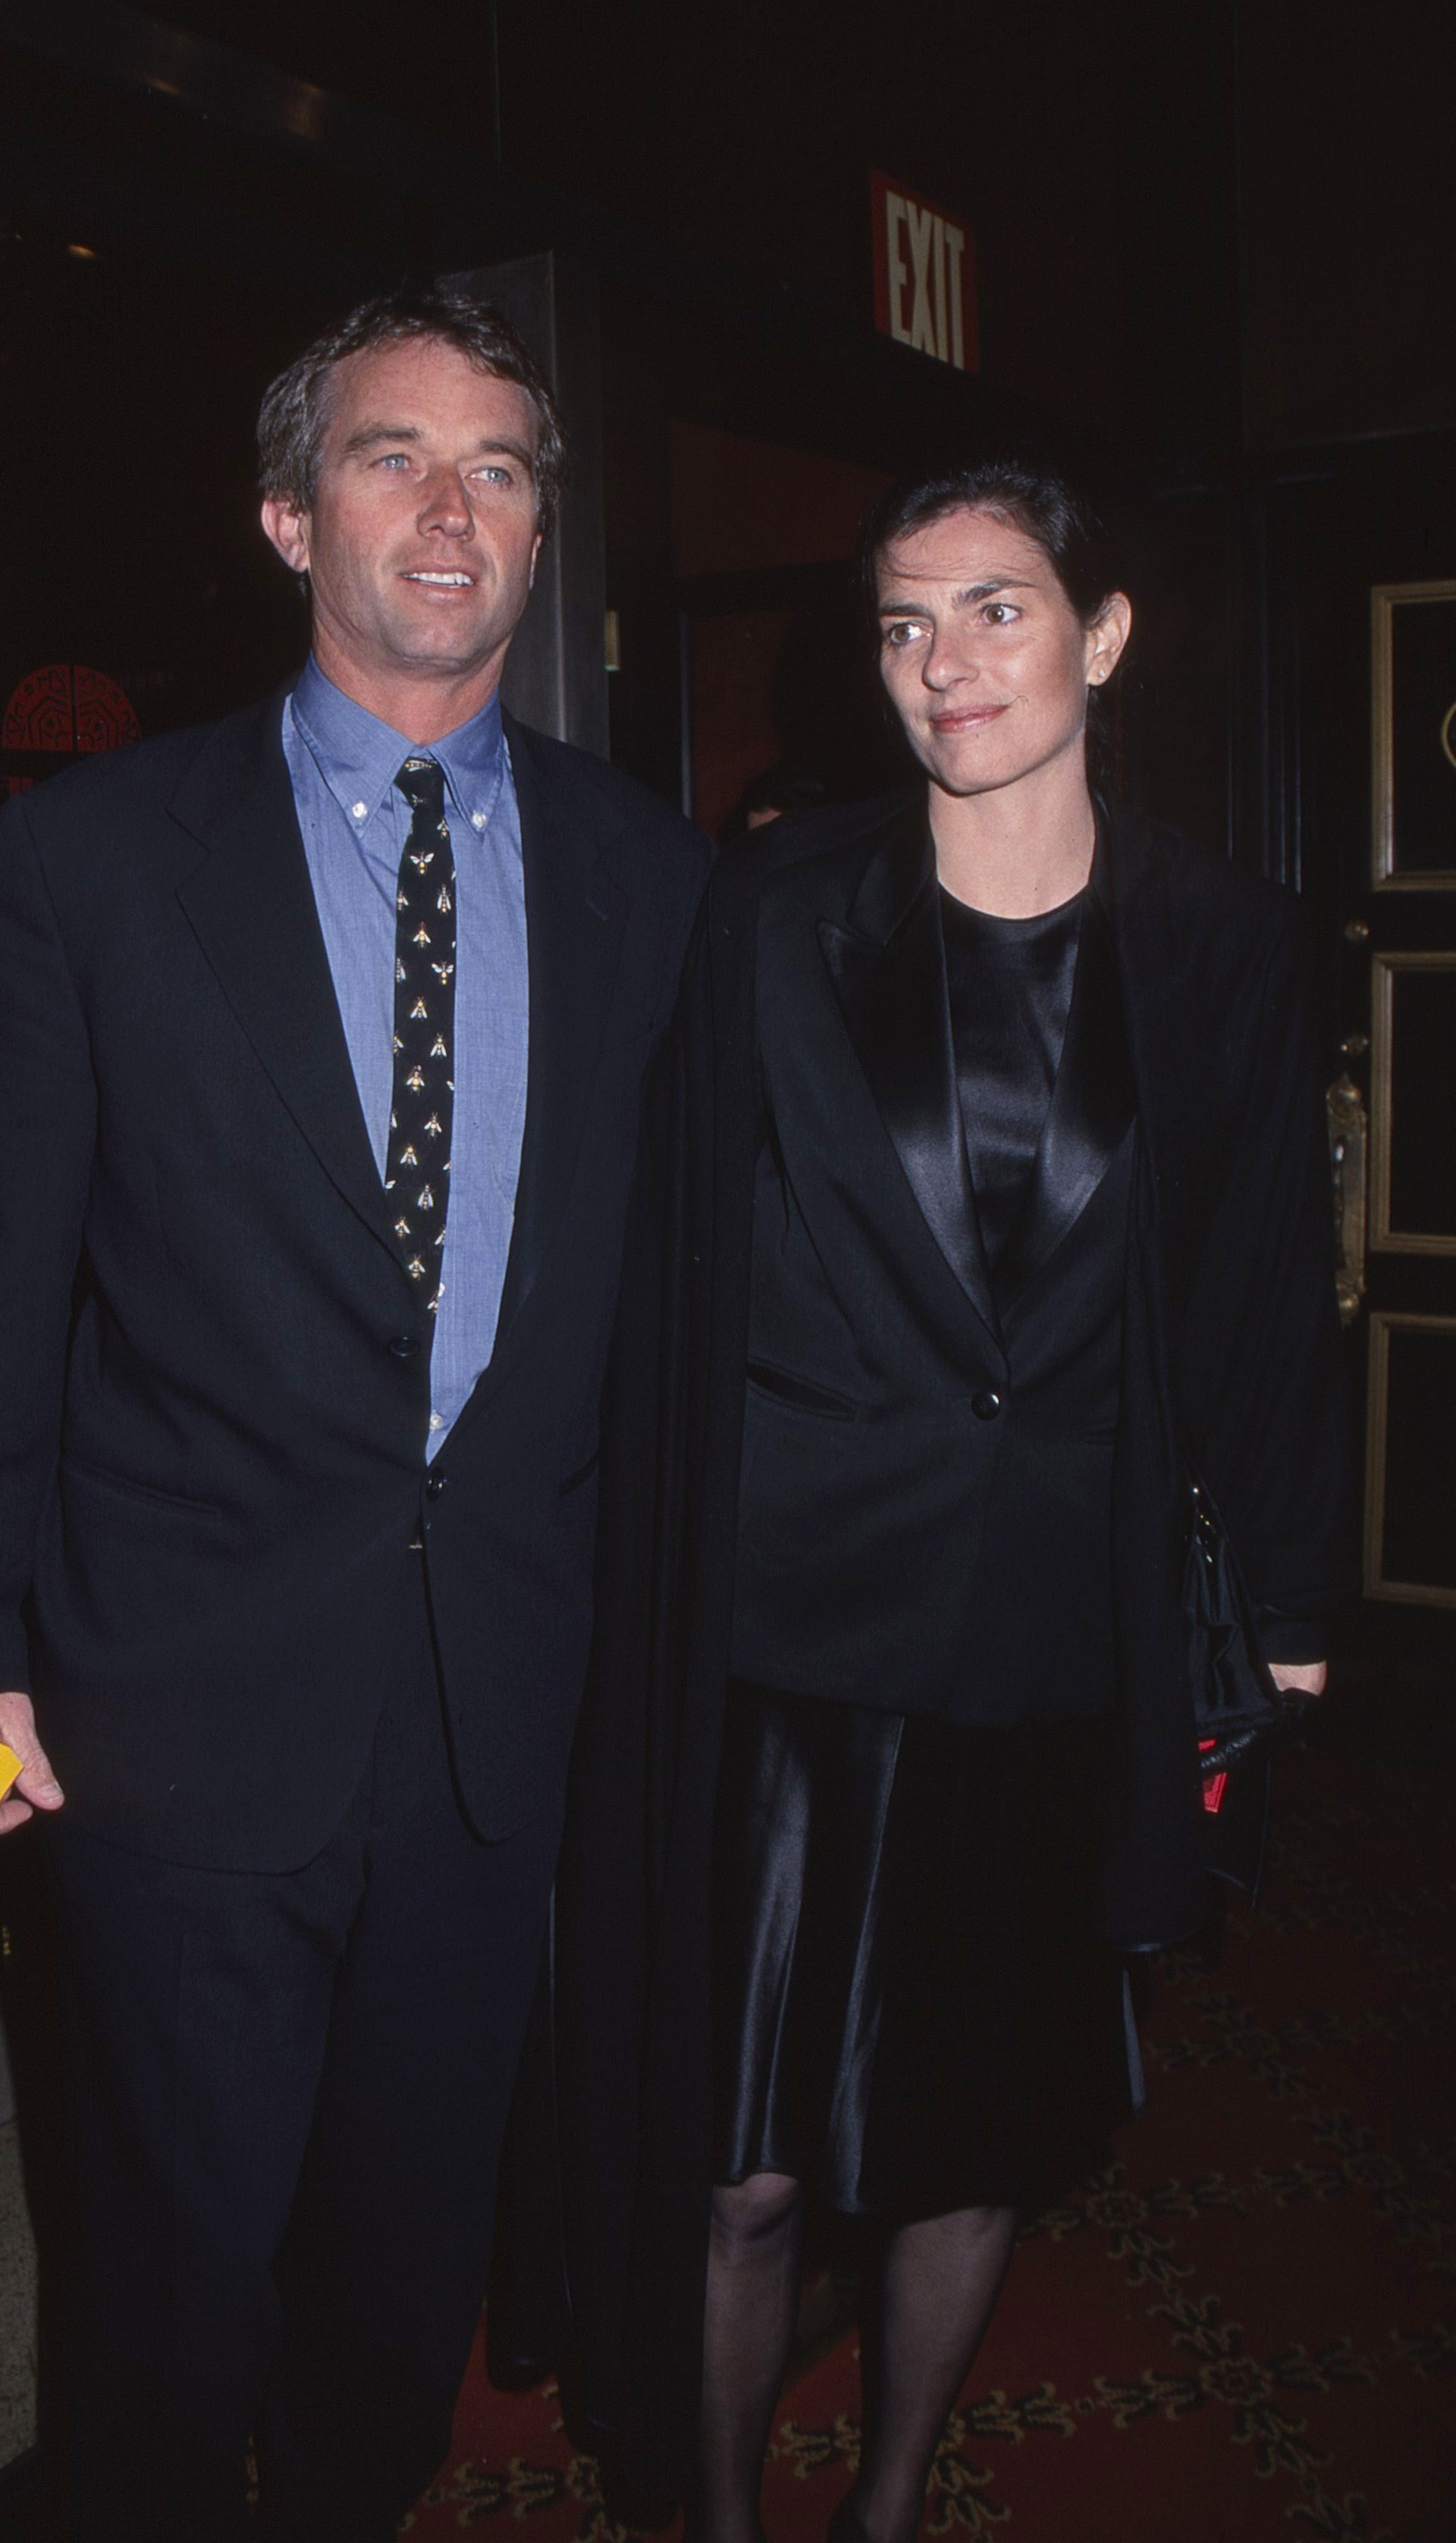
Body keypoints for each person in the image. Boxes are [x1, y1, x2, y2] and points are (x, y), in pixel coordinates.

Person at [0, 287, 709, 2542]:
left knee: (405, 2246)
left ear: (541, 529)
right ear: (284, 510)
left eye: (504, 467)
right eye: (392, 456)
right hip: (174, 1705)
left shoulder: (655, 880)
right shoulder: (97, 865)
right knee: (166, 2261)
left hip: (496, 1716)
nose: (455, 509)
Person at [552, 459, 1350, 2539]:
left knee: (975, 2142)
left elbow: (1264, 1288)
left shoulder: (1223, 945)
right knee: (744, 2159)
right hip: (785, 1636)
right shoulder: (780, 909)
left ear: (1101, 636)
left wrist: (1280, 1607)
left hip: (1047, 1643)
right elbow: (658, 1260)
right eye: (907, 627)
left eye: (994, 612)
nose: (946, 666)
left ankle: (888, 2507)